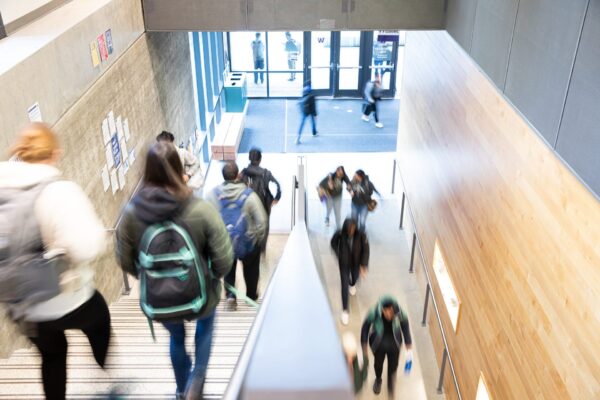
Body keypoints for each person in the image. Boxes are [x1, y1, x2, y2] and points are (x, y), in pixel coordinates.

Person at [116, 142, 233, 400]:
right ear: (179, 170)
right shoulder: (200, 209)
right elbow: (224, 259)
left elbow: (125, 260)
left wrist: (151, 274)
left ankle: (181, 388)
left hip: (161, 299)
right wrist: (211, 277)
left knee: (176, 338)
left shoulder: (131, 214)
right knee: (205, 328)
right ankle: (197, 378)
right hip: (202, 295)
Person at [0, 123, 109, 400]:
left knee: (52, 354)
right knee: (99, 318)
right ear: (55, 153)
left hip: (20, 303)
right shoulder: (58, 191)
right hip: (64, 296)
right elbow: (86, 246)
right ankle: (105, 368)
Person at [205, 161, 267, 311]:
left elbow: (205, 220)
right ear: (238, 175)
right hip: (248, 243)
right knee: (251, 272)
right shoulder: (249, 195)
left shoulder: (212, 195)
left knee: (228, 271)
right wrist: (255, 238)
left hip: (224, 243)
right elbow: (262, 222)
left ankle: (230, 298)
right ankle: (251, 298)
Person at [361, 296, 413, 397]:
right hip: (379, 343)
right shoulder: (374, 312)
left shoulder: (400, 313)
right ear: (382, 309)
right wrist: (364, 346)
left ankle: (390, 385)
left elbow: (405, 326)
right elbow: (365, 328)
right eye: (386, 311)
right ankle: (378, 379)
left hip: (394, 343)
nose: (389, 314)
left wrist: (408, 342)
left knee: (393, 366)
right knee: (378, 364)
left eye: (391, 311)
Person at [240, 148, 281, 252]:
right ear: (260, 159)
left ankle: (251, 247)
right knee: (264, 225)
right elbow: (277, 185)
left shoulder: (243, 173)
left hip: (248, 203)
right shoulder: (266, 173)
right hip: (264, 203)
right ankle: (262, 249)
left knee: (249, 223)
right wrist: (276, 198)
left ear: (249, 158)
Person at [330, 218, 369, 325]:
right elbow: (333, 243)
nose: (351, 230)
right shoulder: (340, 233)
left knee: (355, 278)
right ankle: (345, 311)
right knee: (344, 285)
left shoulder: (361, 234)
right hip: (344, 263)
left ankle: (352, 284)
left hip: (357, 263)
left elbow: (366, 249)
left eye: (353, 228)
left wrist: (364, 265)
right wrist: (339, 254)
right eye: (349, 228)